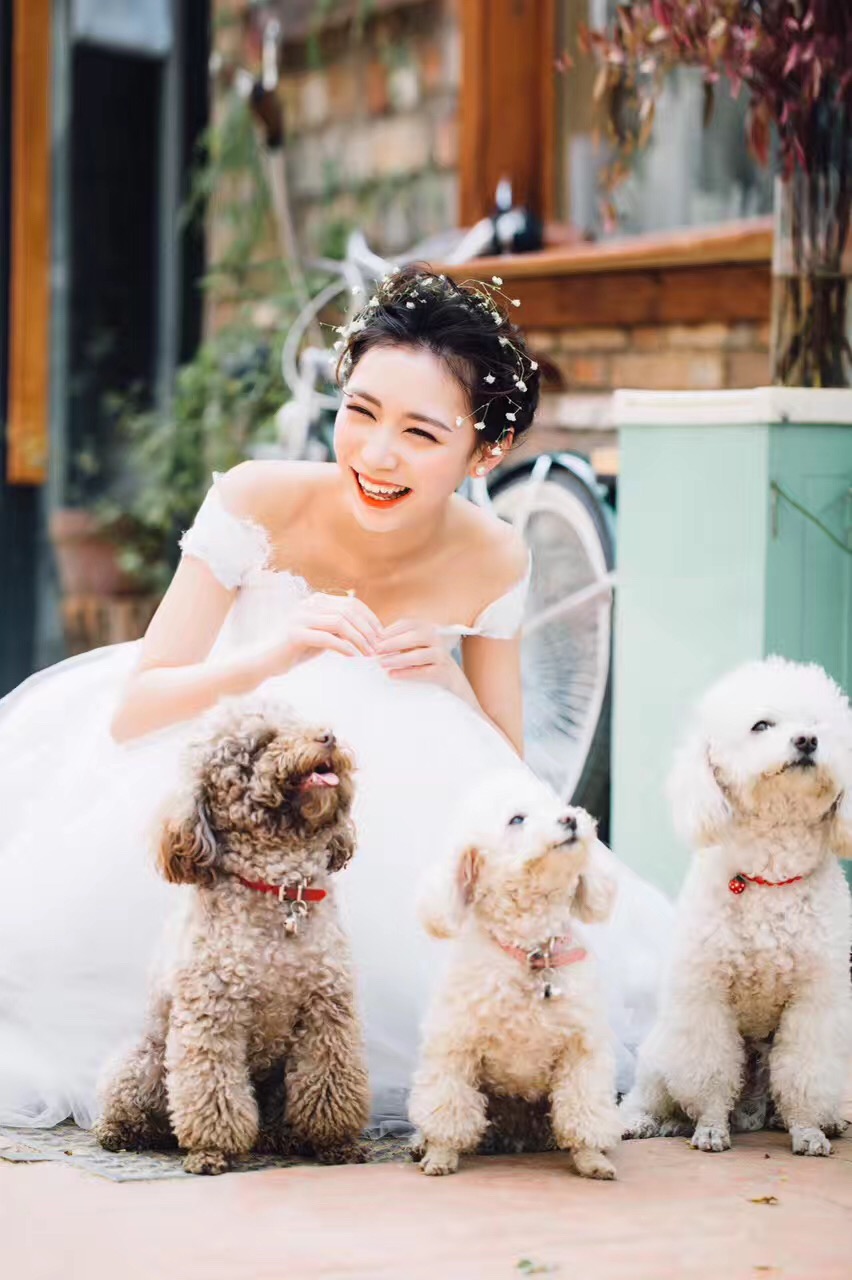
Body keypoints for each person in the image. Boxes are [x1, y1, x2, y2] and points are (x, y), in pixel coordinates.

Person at [0, 265, 672, 1134]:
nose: (377, 453)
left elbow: (512, 771)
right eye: (361, 411)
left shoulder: (496, 554)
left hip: (399, 790)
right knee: (55, 956)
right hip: (236, 761)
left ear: (485, 451)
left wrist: (449, 678)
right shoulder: (257, 498)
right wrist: (273, 653)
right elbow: (138, 709)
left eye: (421, 433)